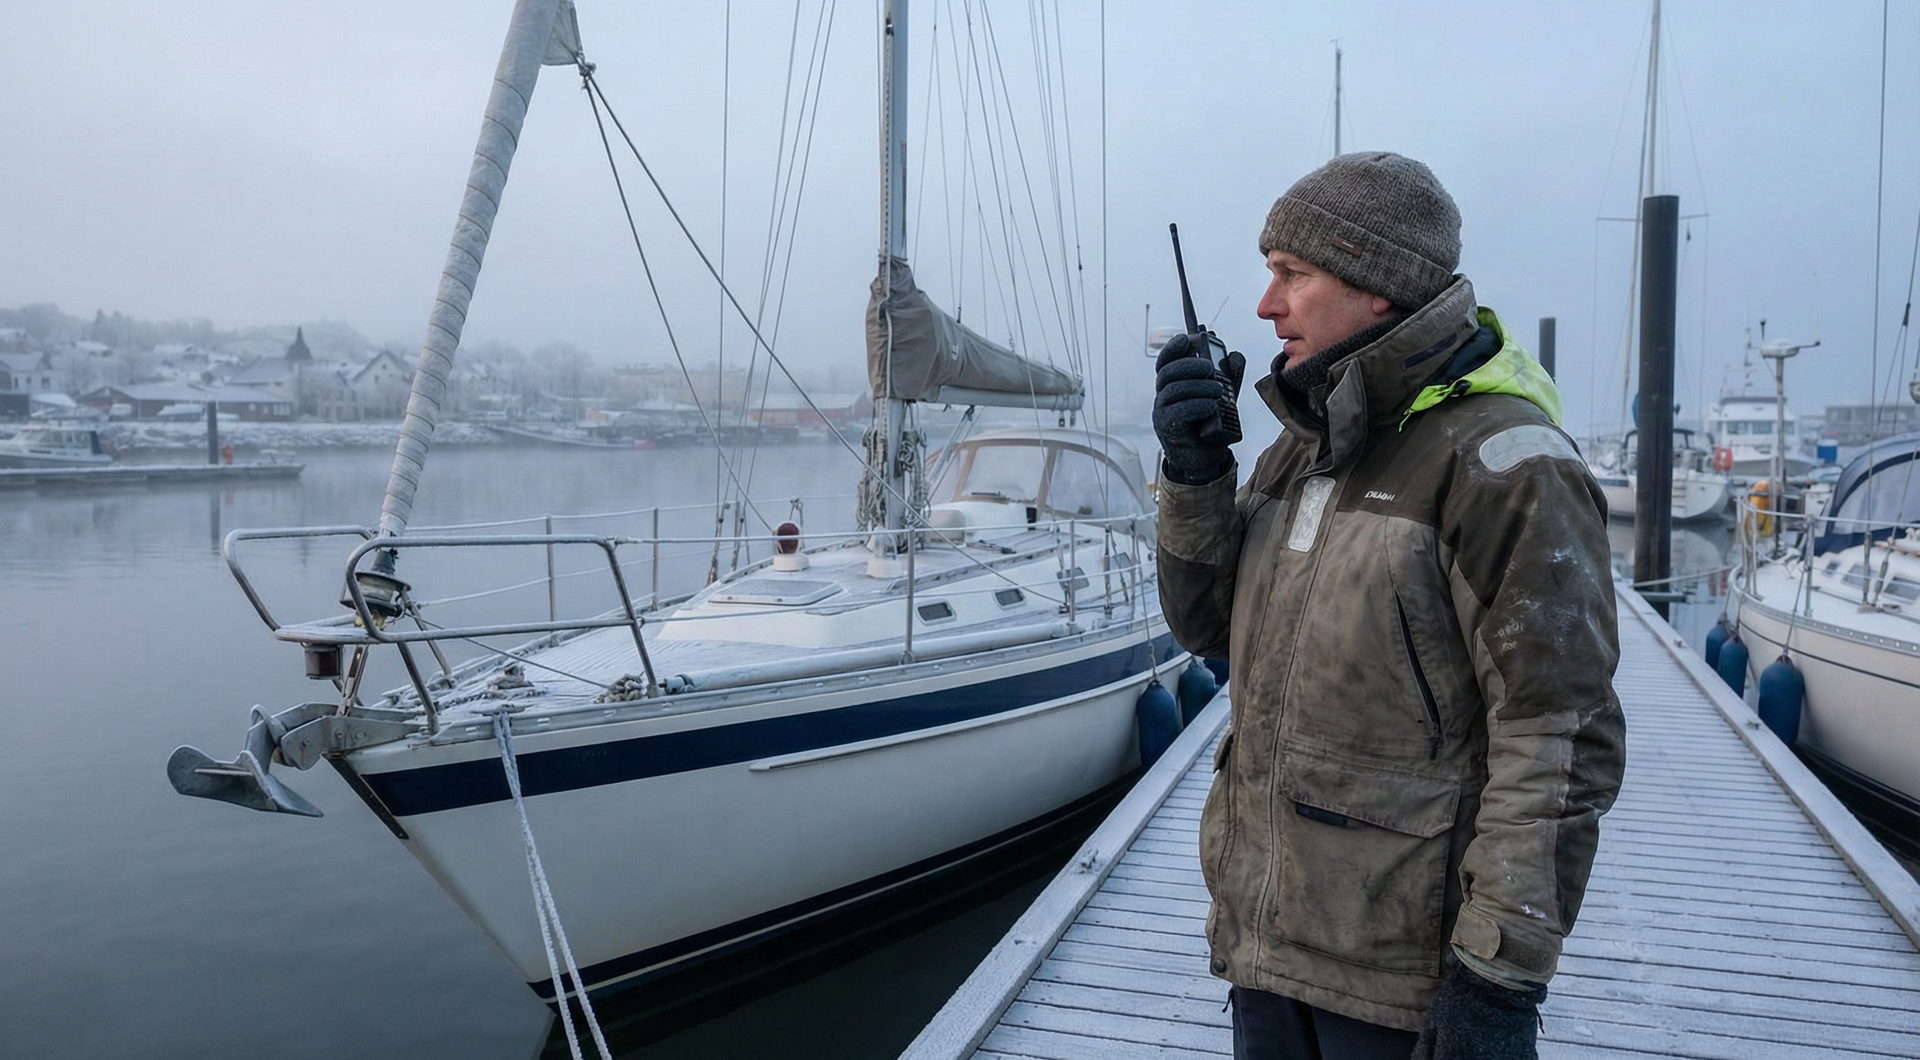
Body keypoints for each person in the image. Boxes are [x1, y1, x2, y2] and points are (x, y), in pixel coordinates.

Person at [1152, 151, 1626, 1060]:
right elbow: (1206, 627)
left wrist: (1500, 976)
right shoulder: (1308, 443)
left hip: (1398, 976)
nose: (1264, 304)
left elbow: (1560, 735)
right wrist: (1195, 473)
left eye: (1291, 274)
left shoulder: (1507, 466)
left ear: (1378, 287)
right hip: (1267, 943)